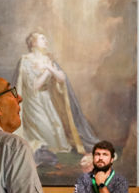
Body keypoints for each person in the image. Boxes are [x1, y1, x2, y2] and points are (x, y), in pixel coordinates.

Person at [13, 31, 99, 161]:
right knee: (47, 136)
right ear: (33, 43)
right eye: (42, 38)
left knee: (59, 138)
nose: (46, 41)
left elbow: (61, 78)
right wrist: (48, 71)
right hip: (33, 101)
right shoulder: (26, 60)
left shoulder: (47, 60)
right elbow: (33, 87)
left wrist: (48, 67)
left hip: (46, 99)